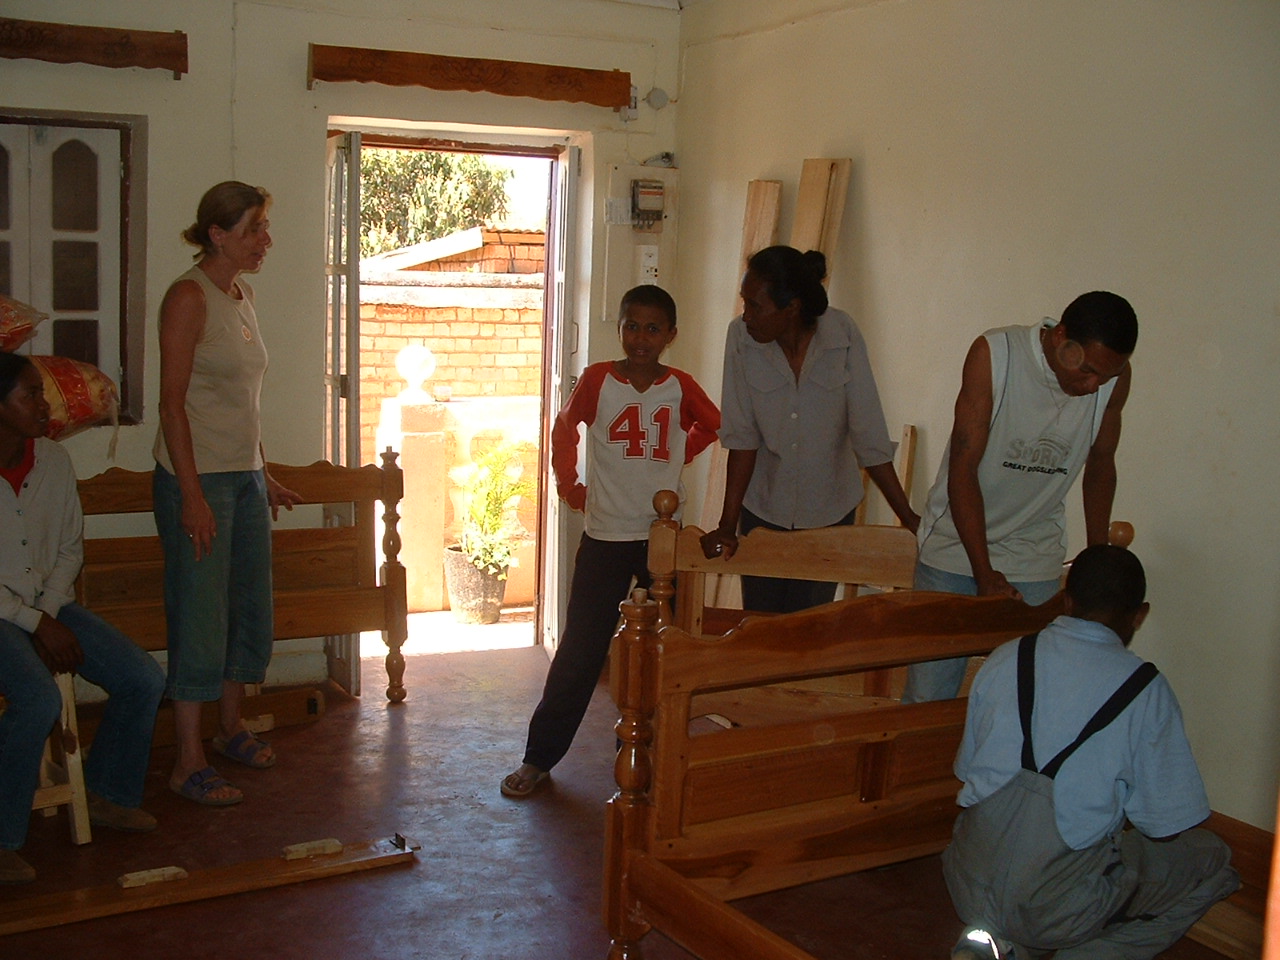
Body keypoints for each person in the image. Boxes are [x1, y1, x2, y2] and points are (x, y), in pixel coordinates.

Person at [942, 545, 1238, 960]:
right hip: (1056, 908)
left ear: (1066, 600)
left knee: (1034, 877)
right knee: (1213, 858)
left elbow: (966, 771)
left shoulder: (1006, 657)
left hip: (966, 884)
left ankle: (997, 946)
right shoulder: (1145, 691)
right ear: (1139, 615)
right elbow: (1166, 826)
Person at [501, 285, 719, 798]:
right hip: (604, 535)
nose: (641, 338)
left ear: (670, 334)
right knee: (581, 649)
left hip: (662, 540)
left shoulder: (681, 386)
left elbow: (712, 426)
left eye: (652, 328)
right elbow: (564, 429)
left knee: (662, 649)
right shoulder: (599, 379)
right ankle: (539, 757)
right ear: (619, 329)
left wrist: (677, 455)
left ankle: (650, 755)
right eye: (631, 326)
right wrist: (570, 486)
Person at [903, 290, 1136, 703]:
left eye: (1105, 377)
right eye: (1086, 371)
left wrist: (1097, 561)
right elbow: (963, 469)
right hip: (955, 550)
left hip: (1033, 553)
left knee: (1027, 701)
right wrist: (984, 573)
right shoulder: (995, 355)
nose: (1093, 386)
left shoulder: (1112, 377)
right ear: (1060, 336)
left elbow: (1101, 465)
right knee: (929, 699)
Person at [154, 181, 301, 806]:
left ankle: (230, 728)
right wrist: (191, 497)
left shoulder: (243, 295)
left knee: (247, 610)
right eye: (253, 229)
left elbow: (243, 401)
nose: (266, 239)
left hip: (242, 478)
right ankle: (187, 761)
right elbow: (172, 405)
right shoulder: (188, 297)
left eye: (264, 227)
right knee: (200, 617)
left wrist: (261, 471)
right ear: (217, 234)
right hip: (198, 481)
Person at [0, 353, 165, 884]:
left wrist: (47, 614)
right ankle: (3, 839)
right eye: (30, 394)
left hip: (47, 605)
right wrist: (35, 623)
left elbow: (70, 548)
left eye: (41, 393)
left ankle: (106, 793)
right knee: (37, 700)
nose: (43, 404)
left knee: (142, 677)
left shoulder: (52, 461)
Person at [699, 246, 918, 613]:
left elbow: (869, 434)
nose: (746, 315)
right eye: (744, 302)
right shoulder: (740, 338)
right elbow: (742, 437)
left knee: (809, 625)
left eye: (756, 306)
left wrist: (908, 518)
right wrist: (727, 525)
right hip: (764, 510)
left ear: (792, 307)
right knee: (763, 624)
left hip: (829, 512)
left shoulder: (842, 334)